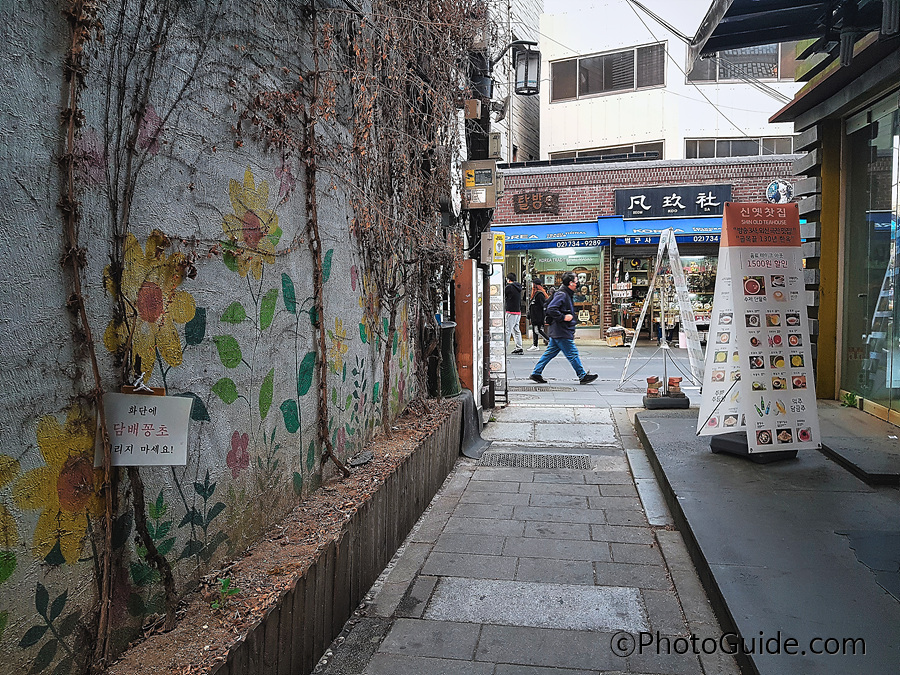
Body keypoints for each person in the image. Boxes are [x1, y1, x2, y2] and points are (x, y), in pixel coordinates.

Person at [529, 272, 598, 384]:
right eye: (576, 280)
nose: (578, 282)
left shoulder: (566, 293)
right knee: (572, 353)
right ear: (571, 283)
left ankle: (536, 373)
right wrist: (564, 317)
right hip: (562, 331)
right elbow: (552, 309)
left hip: (558, 330)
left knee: (549, 353)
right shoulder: (562, 294)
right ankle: (582, 375)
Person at [504, 272, 524, 355]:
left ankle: (504, 348)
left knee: (507, 330)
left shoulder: (509, 287)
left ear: (508, 279)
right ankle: (519, 347)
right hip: (518, 311)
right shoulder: (518, 287)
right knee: (516, 330)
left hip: (510, 311)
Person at [527, 278, 549, 351]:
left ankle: (550, 341)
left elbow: (542, 306)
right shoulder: (536, 294)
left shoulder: (539, 294)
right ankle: (535, 344)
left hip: (538, 316)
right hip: (535, 315)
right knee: (535, 330)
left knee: (538, 330)